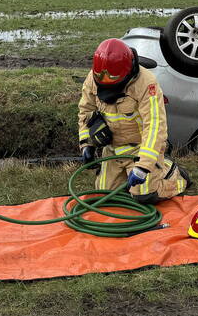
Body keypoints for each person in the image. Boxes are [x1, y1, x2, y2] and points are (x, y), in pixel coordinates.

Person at [77, 38, 191, 204]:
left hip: (139, 148)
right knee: (105, 195)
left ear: (125, 71)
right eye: (101, 77)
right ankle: (133, 176)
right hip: (113, 151)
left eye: (112, 77)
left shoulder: (146, 83)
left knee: (144, 196)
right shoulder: (94, 77)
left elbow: (154, 126)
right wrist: (86, 144)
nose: (106, 81)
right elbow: (85, 111)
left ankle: (174, 175)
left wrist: (143, 166)